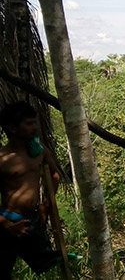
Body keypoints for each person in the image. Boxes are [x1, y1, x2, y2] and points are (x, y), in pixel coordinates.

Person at [0, 101, 62, 279]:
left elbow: (54, 175)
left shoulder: (39, 151)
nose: (35, 127)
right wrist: (7, 225)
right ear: (12, 128)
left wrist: (47, 204)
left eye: (35, 122)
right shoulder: (3, 159)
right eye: (29, 123)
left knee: (50, 262)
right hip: (8, 222)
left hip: (33, 220)